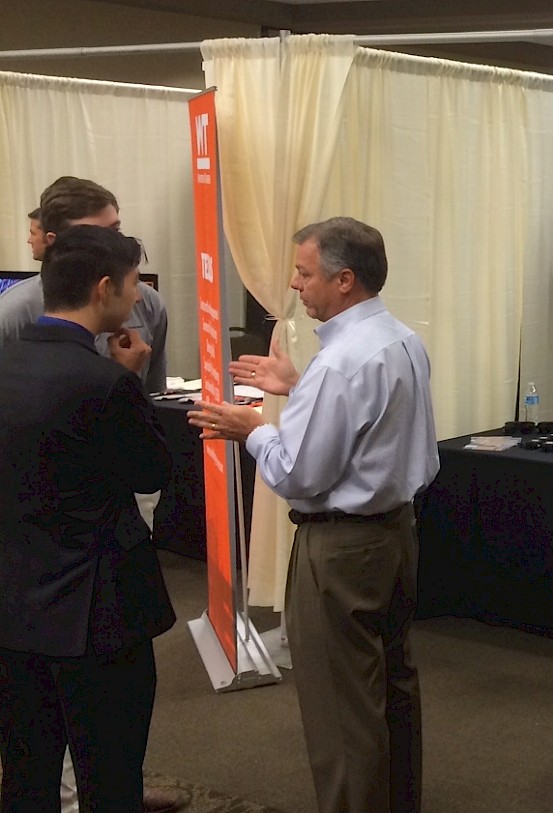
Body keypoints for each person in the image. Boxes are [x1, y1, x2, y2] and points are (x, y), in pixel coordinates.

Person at [189, 217, 438, 813]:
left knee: (342, 709)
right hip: (395, 534)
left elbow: (298, 474)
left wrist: (252, 429)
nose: (295, 285)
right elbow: (365, 430)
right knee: (393, 687)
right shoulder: (401, 340)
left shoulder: (339, 364)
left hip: (341, 550)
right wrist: (299, 388)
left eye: (304, 273)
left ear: (344, 279)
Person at [5, 189, 187, 813]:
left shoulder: (7, 360)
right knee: (111, 776)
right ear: (104, 288)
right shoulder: (106, 381)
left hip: (14, 605)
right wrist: (129, 381)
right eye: (134, 285)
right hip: (98, 612)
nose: (139, 299)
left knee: (25, 772)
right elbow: (151, 470)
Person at [0, 177, 169, 393]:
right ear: (54, 241)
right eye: (94, 235)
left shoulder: (147, 303)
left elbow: (155, 397)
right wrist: (120, 380)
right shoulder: (14, 312)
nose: (113, 243)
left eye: (115, 231)